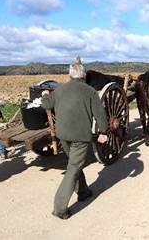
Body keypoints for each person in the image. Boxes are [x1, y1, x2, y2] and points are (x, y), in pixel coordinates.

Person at [42, 56, 109, 220]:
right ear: (84, 76)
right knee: (73, 168)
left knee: (74, 163)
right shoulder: (90, 91)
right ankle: (59, 207)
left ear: (70, 75)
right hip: (80, 136)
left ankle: (83, 191)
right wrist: (104, 132)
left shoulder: (59, 90)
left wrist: (45, 94)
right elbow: (99, 114)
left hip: (63, 134)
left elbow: (46, 105)